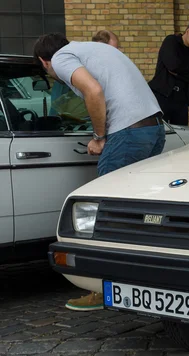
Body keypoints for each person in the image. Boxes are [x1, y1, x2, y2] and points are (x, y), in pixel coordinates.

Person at [33, 32, 166, 311]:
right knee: (140, 213)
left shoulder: (61, 58)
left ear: (44, 62)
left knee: (106, 213)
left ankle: (103, 289)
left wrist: (98, 136)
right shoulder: (94, 49)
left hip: (127, 133)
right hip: (153, 129)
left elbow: (93, 91)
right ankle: (150, 285)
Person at [148, 22, 189, 126]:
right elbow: (173, 65)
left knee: (182, 131)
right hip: (163, 95)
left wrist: (178, 73)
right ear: (188, 31)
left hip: (181, 99)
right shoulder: (171, 41)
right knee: (161, 130)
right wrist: (187, 70)